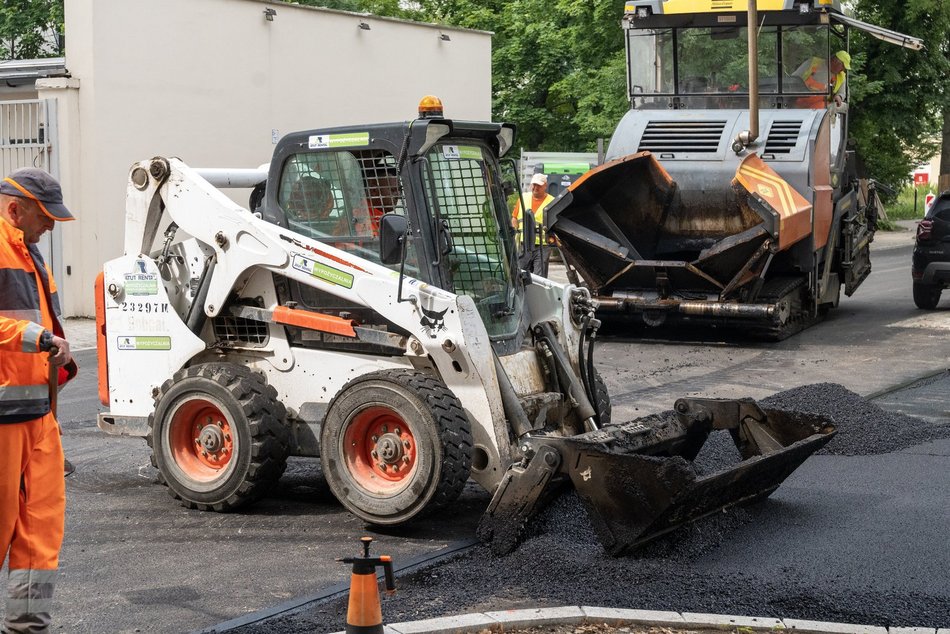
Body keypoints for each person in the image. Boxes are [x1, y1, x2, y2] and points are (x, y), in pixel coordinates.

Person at [0, 167, 77, 634]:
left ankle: (28, 626)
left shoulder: (29, 254)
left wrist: (57, 363)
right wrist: (36, 337)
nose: (50, 226)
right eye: (45, 217)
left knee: (40, 529)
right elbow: (29, 328)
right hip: (3, 418)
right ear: (15, 209)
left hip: (37, 417)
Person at [511, 173, 555, 275]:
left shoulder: (552, 201)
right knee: (521, 275)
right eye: (534, 184)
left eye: (539, 185)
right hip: (524, 245)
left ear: (545, 186)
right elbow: (514, 217)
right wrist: (515, 234)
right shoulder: (523, 198)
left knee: (539, 278)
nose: (535, 187)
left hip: (542, 246)